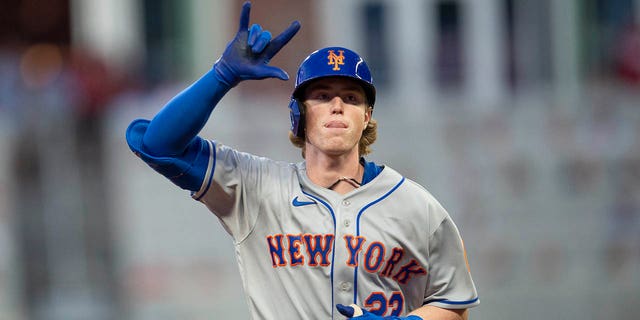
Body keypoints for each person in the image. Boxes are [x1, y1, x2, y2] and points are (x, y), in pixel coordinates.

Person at [125, 2, 479, 319]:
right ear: (299, 114)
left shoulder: (418, 208)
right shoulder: (255, 188)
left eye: (352, 98)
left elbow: (454, 305)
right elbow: (158, 144)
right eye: (322, 95)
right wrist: (221, 76)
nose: (337, 105)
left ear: (368, 115)